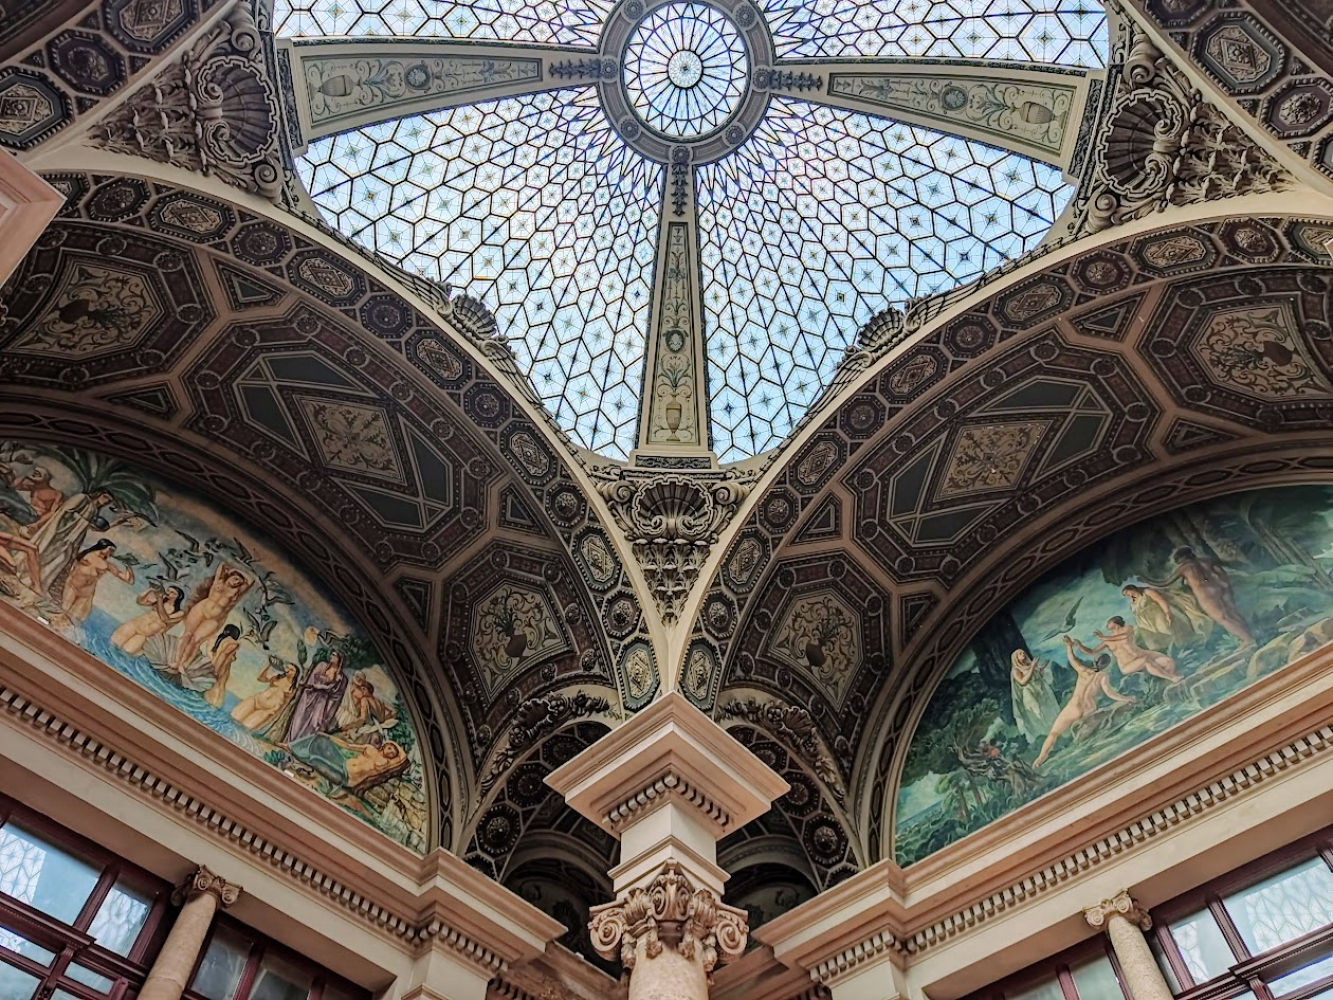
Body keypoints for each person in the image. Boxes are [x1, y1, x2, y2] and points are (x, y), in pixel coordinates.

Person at [1033, 636, 1136, 768]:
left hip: (1074, 707)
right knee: (1090, 734)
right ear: (1106, 665)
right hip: (1089, 708)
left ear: (1094, 661)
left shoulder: (1083, 671)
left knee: (1054, 733)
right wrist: (1126, 698)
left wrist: (1069, 646)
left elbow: (1072, 659)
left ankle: (1041, 758)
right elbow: (1110, 693)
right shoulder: (1103, 676)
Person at [1147, 547, 1255, 647]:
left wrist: (1145, 580)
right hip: (1219, 588)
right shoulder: (1206, 560)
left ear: (1182, 558)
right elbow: (1221, 571)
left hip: (1206, 595)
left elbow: (1164, 583)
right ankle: (1250, 634)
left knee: (1222, 617)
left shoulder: (1185, 567)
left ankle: (1247, 639)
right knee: (1232, 612)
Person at [170, 563, 253, 674]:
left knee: (196, 640)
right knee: (187, 635)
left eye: (239, 582)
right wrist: (233, 570)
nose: (237, 582)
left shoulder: (236, 593)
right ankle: (176, 661)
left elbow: (250, 581)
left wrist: (240, 575)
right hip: (201, 609)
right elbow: (222, 566)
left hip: (214, 619)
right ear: (230, 576)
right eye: (236, 579)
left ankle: (184, 664)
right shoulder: (219, 582)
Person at [281, 732, 404, 792]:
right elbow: (348, 746)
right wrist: (329, 737)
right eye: (390, 748)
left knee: (317, 762)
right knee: (320, 740)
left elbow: (402, 758)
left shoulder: (385, 764)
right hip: (342, 762)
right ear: (385, 746)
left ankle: (296, 756)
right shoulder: (370, 748)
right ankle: (289, 747)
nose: (391, 752)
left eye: (393, 752)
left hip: (346, 778)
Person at [1074, 618, 1182, 683]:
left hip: (1143, 654)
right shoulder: (1108, 642)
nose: (1107, 624)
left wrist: (1103, 637)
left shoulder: (1127, 629)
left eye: (1109, 622)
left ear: (1115, 623)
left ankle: (1167, 680)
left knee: (1169, 662)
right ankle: (1171, 678)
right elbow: (1091, 651)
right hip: (1128, 665)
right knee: (1145, 661)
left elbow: (1123, 637)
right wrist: (1079, 645)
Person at [1120, 583, 1213, 651]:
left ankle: (1190, 646)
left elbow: (1160, 600)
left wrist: (1167, 612)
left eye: (1128, 592)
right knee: (1159, 639)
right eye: (1126, 595)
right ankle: (1177, 650)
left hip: (1158, 616)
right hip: (1149, 624)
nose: (1128, 595)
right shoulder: (1133, 603)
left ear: (1132, 588)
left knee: (1170, 630)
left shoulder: (1146, 592)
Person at [60, 539, 133, 623]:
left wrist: (128, 566)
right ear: (103, 547)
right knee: (62, 609)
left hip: (86, 594)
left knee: (74, 619)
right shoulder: (86, 555)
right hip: (72, 587)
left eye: (112, 551)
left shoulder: (106, 565)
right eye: (110, 550)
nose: (111, 553)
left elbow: (128, 580)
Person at [284, 651, 348, 741]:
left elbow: (336, 695)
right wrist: (322, 687)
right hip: (310, 696)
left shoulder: (341, 677)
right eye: (331, 654)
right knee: (300, 718)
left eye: (334, 655)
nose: (331, 656)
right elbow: (312, 681)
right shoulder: (322, 665)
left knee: (315, 723)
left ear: (339, 658)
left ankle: (300, 745)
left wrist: (333, 685)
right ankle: (290, 740)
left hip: (322, 701)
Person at [112, 585, 186, 656]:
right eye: (168, 590)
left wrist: (160, 601)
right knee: (115, 642)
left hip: (146, 634)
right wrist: (150, 589)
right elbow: (140, 601)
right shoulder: (159, 601)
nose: (169, 593)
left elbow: (165, 619)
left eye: (172, 592)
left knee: (127, 651)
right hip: (136, 624)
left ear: (177, 597)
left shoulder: (179, 612)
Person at [1010, 649, 1061, 742]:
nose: (1023, 654)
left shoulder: (1029, 665)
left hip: (1040, 692)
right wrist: (1033, 667)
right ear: (1015, 658)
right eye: (1019, 654)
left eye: (1023, 653)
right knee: (1039, 714)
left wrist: (1041, 668)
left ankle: (1056, 733)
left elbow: (1037, 676)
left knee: (1048, 711)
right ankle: (1046, 737)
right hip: (1030, 694)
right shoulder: (1016, 670)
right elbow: (1022, 682)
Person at [231, 661, 298, 731]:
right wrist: (268, 665)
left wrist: (271, 714)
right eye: (287, 668)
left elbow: (284, 706)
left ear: (296, 674)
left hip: (266, 710)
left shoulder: (292, 689)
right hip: (256, 700)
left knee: (246, 727)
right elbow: (260, 678)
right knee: (234, 718)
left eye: (292, 670)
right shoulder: (277, 677)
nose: (288, 671)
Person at [202, 624, 241, 709]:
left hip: (216, 669)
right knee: (218, 687)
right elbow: (221, 656)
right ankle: (213, 706)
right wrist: (216, 670)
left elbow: (215, 655)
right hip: (219, 670)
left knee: (217, 686)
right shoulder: (231, 643)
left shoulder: (217, 640)